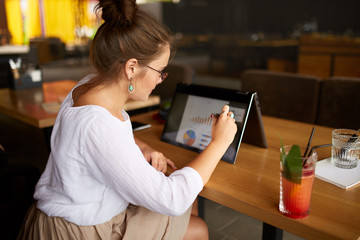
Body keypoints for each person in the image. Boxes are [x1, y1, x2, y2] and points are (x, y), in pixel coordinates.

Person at [17, 0, 237, 239]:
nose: (160, 79)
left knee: (190, 199)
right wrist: (219, 143)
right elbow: (171, 199)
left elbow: (109, 133)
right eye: (160, 71)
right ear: (131, 67)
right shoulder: (97, 125)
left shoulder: (89, 87)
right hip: (76, 229)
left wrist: (142, 146)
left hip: (90, 210)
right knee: (197, 226)